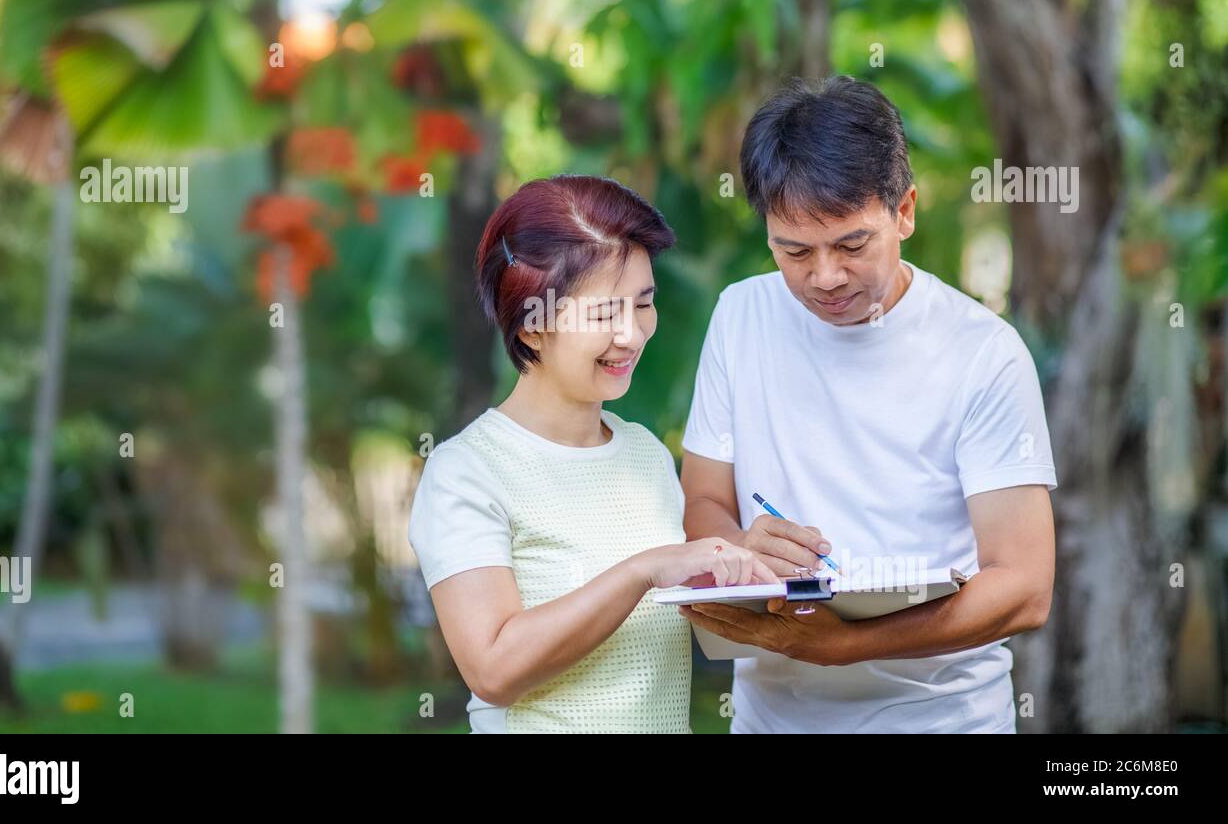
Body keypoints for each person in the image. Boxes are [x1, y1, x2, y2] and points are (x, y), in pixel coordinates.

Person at [678, 76, 1057, 733]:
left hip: (941, 720)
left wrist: (840, 645)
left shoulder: (984, 354)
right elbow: (703, 500)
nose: (824, 277)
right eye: (793, 251)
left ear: (904, 211)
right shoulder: (742, 316)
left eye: (852, 244)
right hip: (772, 719)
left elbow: (1025, 586)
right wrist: (739, 546)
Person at [408, 174, 777, 733]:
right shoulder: (466, 471)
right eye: (603, 315)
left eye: (644, 304)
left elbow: (672, 632)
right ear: (532, 326)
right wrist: (642, 571)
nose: (631, 334)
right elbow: (493, 668)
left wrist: (752, 570)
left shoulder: (645, 455)